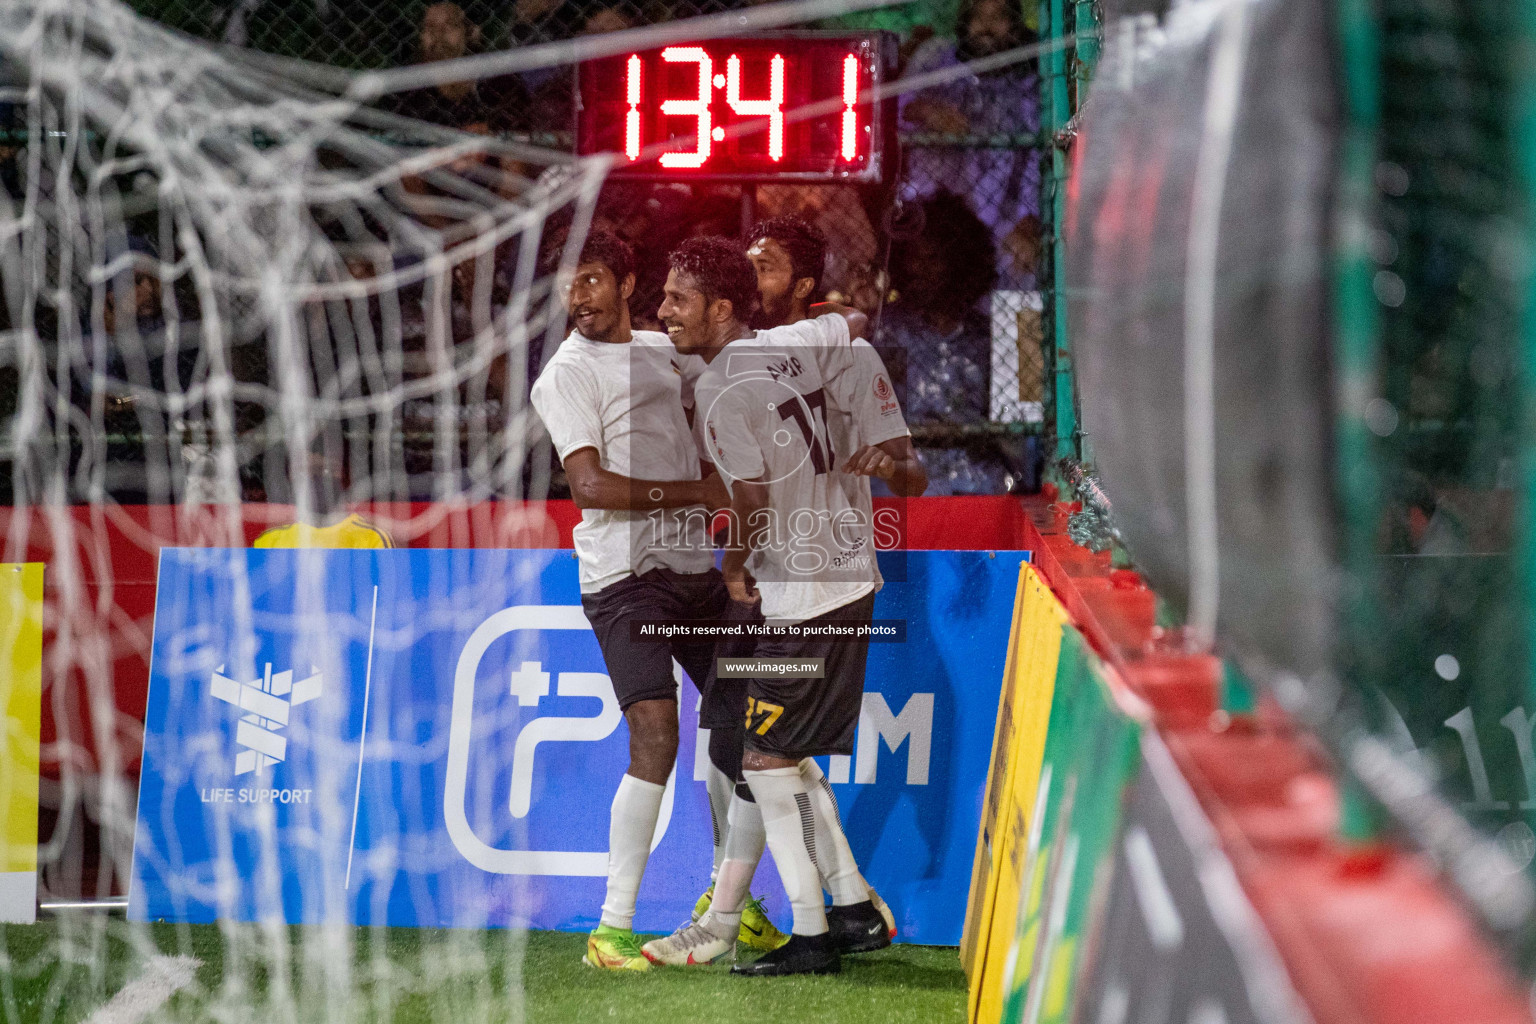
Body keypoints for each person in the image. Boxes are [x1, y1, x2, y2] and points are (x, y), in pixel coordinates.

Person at [649, 237, 917, 977]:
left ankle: (809, 934)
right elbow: (855, 323)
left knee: (764, 758)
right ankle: (851, 908)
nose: (663, 309)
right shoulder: (804, 340)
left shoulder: (718, 387)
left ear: (722, 309)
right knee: (772, 753)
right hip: (838, 579)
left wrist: (735, 564)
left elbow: (754, 500)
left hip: (803, 594)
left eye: (677, 299)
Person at [528, 231, 762, 972]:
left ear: (628, 283)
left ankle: (730, 904)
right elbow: (589, 488)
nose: (579, 299)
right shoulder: (564, 375)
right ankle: (612, 928)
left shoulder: (667, 348)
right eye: (569, 287)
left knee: (738, 723)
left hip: (694, 571)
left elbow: (717, 407)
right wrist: (699, 491)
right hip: (625, 578)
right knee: (658, 736)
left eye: (592, 281)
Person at [879, 190, 1016, 494]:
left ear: (957, 263)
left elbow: (1012, 434)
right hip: (906, 484)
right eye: (913, 259)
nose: (920, 270)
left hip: (976, 482)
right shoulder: (888, 330)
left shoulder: (985, 336)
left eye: (931, 260)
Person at [900, 0, 1040, 290]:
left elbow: (1038, 157)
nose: (987, 27)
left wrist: (1031, 218)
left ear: (1016, 26)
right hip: (934, 209)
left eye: (999, 16)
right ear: (963, 21)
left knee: (1024, 264)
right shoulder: (936, 58)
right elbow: (896, 108)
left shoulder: (1029, 80)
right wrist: (926, 110)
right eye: (978, 16)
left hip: (1004, 217)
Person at [386, 2, 529, 131]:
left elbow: (521, 129)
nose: (439, 34)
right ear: (420, 38)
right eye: (430, 26)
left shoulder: (498, 80)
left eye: (450, 25)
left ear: (471, 32)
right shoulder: (406, 89)